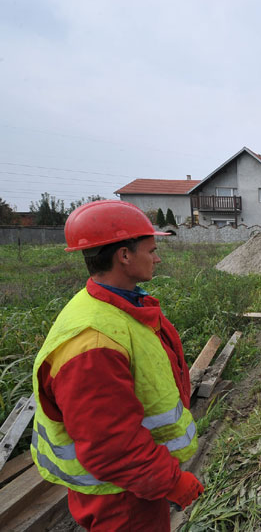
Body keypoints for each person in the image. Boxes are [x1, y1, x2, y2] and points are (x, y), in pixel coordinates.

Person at [30, 200, 204, 531]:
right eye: (151, 250)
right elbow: (110, 445)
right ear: (124, 256)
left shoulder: (116, 305)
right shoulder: (91, 344)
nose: (158, 258)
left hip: (131, 484)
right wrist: (171, 482)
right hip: (120, 499)